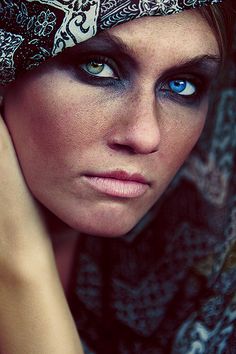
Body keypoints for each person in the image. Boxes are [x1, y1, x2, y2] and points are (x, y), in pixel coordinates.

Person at [0, 0, 235, 353]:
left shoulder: (212, 276)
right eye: (98, 67)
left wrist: (20, 264)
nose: (146, 136)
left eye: (183, 85)